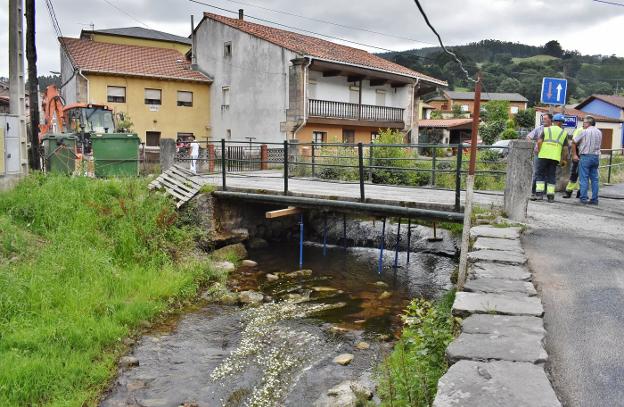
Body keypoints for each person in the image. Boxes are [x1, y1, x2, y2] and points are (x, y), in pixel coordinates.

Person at [535, 114, 568, 202]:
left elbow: (539, 141)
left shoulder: (546, 129)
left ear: (553, 121)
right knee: (551, 176)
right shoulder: (564, 133)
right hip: (555, 157)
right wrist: (564, 160)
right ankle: (550, 197)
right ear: (562, 123)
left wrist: (540, 151)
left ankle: (539, 195)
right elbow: (565, 149)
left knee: (540, 174)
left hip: (543, 155)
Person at [572, 116, 602, 205]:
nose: (583, 124)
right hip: (596, 157)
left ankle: (583, 199)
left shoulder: (584, 132)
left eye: (584, 122)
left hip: (585, 156)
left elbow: (574, 141)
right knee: (595, 179)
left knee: (583, 178)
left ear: (588, 123)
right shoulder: (599, 132)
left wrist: (574, 154)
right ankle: (594, 199)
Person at [527, 113, 552, 200]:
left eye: (545, 119)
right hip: (539, 154)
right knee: (537, 173)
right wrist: (534, 145)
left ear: (550, 120)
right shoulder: (539, 129)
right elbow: (529, 137)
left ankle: (543, 193)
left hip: (550, 154)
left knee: (547, 174)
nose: (543, 120)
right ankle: (533, 192)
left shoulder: (553, 130)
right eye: (543, 119)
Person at [563, 124, 585, 199]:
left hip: (585, 154)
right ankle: (568, 191)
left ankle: (580, 192)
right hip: (578, 153)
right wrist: (574, 154)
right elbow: (574, 142)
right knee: (575, 173)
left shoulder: (589, 130)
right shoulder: (580, 130)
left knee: (583, 174)